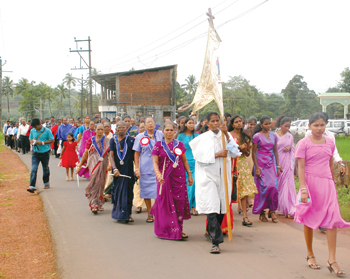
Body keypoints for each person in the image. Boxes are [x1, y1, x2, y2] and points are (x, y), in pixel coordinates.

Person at [295, 113, 349, 275]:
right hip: (310, 184)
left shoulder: (330, 142)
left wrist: (332, 182)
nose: (319, 128)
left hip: (327, 185)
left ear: (326, 125)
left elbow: (329, 164)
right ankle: (310, 254)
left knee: (332, 219)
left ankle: (332, 260)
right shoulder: (303, 143)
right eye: (316, 125)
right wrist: (303, 188)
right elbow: (301, 167)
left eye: (322, 125)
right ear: (309, 126)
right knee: (309, 217)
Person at [189, 112, 241, 254]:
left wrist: (225, 135)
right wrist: (217, 154)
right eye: (212, 121)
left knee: (222, 206)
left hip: (223, 176)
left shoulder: (227, 136)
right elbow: (198, 157)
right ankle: (215, 242)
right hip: (208, 176)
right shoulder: (202, 138)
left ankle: (211, 231)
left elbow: (235, 153)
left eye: (217, 120)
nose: (215, 123)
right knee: (212, 207)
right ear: (206, 122)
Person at [151, 122, 192, 239]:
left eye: (171, 130)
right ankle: (164, 230)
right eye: (167, 130)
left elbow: (184, 160)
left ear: (175, 132)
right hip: (164, 178)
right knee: (164, 203)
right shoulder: (159, 145)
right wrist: (158, 174)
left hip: (178, 178)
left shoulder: (179, 144)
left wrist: (189, 174)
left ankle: (178, 229)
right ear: (163, 131)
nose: (169, 132)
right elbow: (154, 162)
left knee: (179, 203)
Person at [133, 116, 163, 223]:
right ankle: (150, 213)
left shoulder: (160, 134)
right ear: (144, 125)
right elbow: (137, 153)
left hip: (158, 167)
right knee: (146, 191)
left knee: (159, 191)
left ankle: (158, 212)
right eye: (148, 122)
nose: (150, 124)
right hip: (145, 167)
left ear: (155, 124)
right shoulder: (140, 137)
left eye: (152, 122)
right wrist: (137, 168)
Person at [228, 115, 257, 226]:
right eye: (236, 122)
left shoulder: (245, 136)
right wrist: (238, 149)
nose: (239, 123)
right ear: (232, 124)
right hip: (231, 164)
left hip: (242, 164)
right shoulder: (228, 136)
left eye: (240, 121)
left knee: (244, 190)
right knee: (230, 189)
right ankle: (227, 216)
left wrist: (244, 150)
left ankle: (245, 216)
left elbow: (248, 153)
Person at [252, 115, 281, 223]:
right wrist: (257, 168)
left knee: (273, 187)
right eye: (266, 124)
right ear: (261, 125)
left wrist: (278, 165)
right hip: (260, 163)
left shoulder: (274, 136)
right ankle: (262, 212)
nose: (268, 125)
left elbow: (276, 151)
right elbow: (253, 153)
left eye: (269, 123)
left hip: (271, 162)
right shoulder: (257, 136)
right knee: (263, 188)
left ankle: (272, 210)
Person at [76, 124, 110, 214]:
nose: (100, 131)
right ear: (95, 130)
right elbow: (86, 153)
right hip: (93, 163)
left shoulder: (108, 141)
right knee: (95, 180)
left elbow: (110, 154)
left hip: (104, 163)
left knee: (101, 182)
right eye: (98, 129)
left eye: (102, 129)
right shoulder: (91, 140)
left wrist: (110, 164)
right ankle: (93, 203)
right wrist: (80, 165)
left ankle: (98, 203)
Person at [110, 121, 136, 222]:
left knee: (128, 192)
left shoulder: (131, 140)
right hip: (117, 171)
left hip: (128, 170)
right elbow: (111, 156)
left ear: (126, 129)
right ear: (116, 129)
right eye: (119, 127)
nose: (121, 129)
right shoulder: (113, 140)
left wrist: (137, 169)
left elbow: (135, 156)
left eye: (123, 127)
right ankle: (118, 214)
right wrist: (114, 168)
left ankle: (128, 214)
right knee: (118, 192)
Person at [275, 116, 296, 218]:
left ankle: (290, 208)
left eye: (289, 126)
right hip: (278, 162)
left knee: (287, 185)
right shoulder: (274, 136)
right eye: (285, 126)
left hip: (287, 163)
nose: (287, 128)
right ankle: (280, 207)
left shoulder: (290, 136)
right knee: (278, 184)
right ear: (281, 125)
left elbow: (293, 149)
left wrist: (289, 148)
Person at [177, 117, 198, 215]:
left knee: (194, 184)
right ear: (185, 124)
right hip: (183, 163)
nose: (191, 125)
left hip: (195, 162)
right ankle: (186, 206)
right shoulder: (180, 136)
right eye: (189, 123)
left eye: (193, 123)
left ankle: (194, 206)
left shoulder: (197, 136)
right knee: (185, 185)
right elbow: (177, 149)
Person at [27, 118, 55, 193]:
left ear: (39, 124)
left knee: (45, 168)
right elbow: (30, 139)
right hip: (35, 152)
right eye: (34, 127)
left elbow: (52, 140)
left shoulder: (47, 131)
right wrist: (32, 141)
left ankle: (46, 183)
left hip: (45, 152)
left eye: (36, 126)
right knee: (34, 169)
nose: (35, 128)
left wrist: (42, 143)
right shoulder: (32, 131)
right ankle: (32, 185)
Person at [133, 122, 146, 213]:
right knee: (138, 184)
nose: (143, 129)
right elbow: (136, 153)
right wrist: (137, 167)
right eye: (141, 128)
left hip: (149, 164)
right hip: (139, 162)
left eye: (144, 127)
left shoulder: (153, 137)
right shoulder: (138, 138)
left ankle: (147, 205)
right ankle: (138, 204)